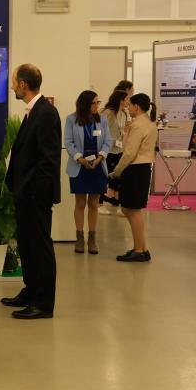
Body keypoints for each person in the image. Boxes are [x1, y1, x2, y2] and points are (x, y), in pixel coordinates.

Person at [2, 64, 61, 320]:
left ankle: (43, 303)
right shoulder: (34, 111)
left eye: (14, 81)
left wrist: (35, 193)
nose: (12, 86)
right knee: (27, 245)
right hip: (25, 194)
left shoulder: (45, 113)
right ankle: (31, 290)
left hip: (36, 195)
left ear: (23, 84)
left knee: (39, 247)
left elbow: (48, 160)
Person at [64, 90, 113, 254]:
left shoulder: (103, 120)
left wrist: (100, 157)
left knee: (93, 204)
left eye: (98, 102)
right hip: (80, 165)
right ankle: (79, 238)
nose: (97, 106)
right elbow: (68, 142)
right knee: (80, 203)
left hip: (98, 164)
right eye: (94, 103)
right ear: (85, 103)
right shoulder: (71, 119)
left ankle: (92, 239)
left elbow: (108, 142)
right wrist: (80, 159)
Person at [111, 93, 159, 262]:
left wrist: (116, 171)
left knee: (132, 210)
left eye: (130, 105)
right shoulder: (148, 123)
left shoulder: (138, 125)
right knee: (130, 209)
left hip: (135, 168)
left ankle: (139, 249)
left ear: (136, 107)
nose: (128, 108)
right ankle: (142, 247)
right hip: (142, 168)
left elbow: (129, 153)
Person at [99, 89, 129, 211]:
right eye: (126, 99)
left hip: (119, 148)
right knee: (104, 176)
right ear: (120, 100)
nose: (128, 101)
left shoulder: (124, 113)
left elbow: (122, 130)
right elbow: (99, 130)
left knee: (117, 175)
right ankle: (99, 203)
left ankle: (114, 201)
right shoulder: (106, 113)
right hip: (107, 149)